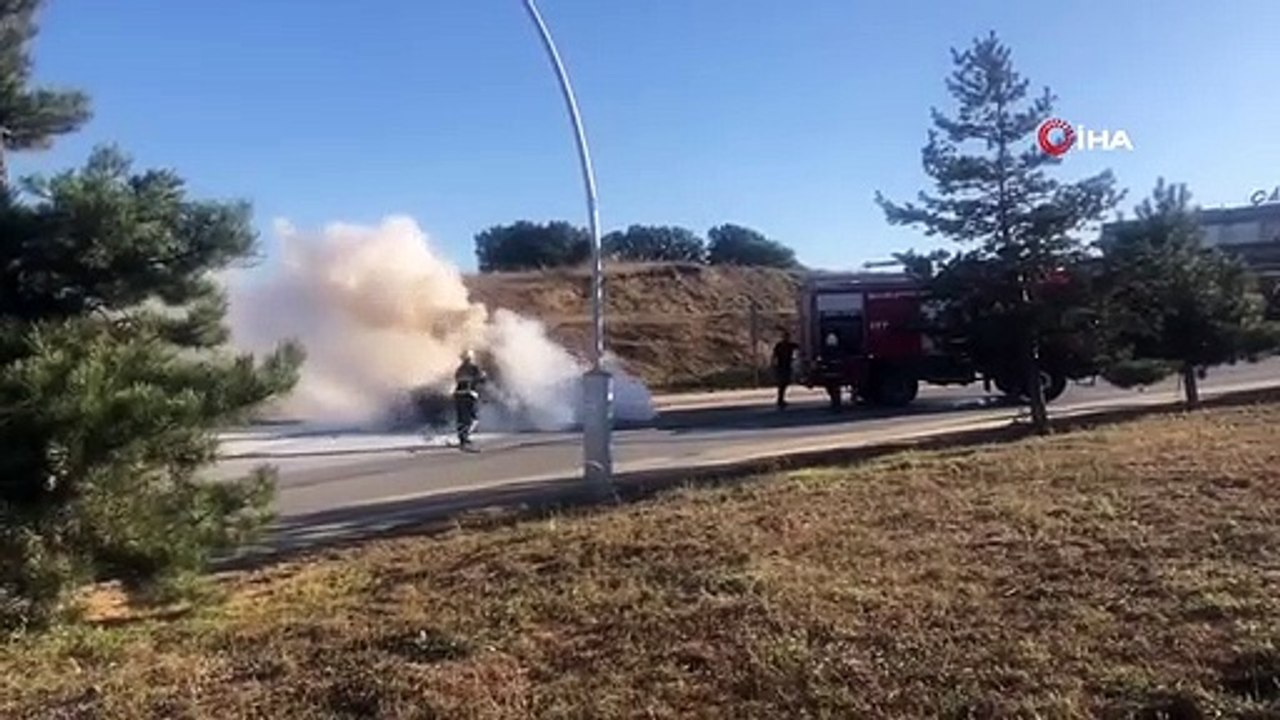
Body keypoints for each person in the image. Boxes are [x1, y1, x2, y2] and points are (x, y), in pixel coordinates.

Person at [453, 349, 487, 449]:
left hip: (458, 395)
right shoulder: (474, 368)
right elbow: (481, 379)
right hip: (469, 395)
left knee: (461, 418)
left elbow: (457, 380)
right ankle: (465, 437)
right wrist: (483, 376)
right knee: (473, 418)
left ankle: (462, 438)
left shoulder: (459, 369)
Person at [771, 330, 799, 409]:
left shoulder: (788, 345)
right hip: (782, 367)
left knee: (784, 384)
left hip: (786, 366)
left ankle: (781, 399)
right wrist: (774, 364)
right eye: (786, 337)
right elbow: (774, 356)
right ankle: (780, 400)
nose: (787, 338)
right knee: (782, 384)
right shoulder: (780, 345)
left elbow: (798, 347)